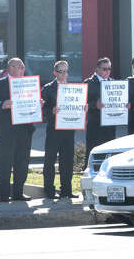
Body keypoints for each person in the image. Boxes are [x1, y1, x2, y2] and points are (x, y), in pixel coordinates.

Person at [0, 57, 36, 202]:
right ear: (10, 69)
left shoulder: (29, 84)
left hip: (25, 128)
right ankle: (4, 194)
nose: (21, 69)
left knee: (22, 161)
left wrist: (38, 103)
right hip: (8, 129)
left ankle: (18, 193)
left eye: (22, 67)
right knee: (6, 162)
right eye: (18, 66)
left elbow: (34, 102)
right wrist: (2, 104)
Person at [41, 60, 76, 200]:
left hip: (69, 129)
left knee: (67, 161)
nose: (64, 74)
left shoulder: (73, 89)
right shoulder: (48, 88)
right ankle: (49, 190)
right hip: (54, 129)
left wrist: (83, 108)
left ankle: (66, 190)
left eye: (66, 71)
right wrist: (51, 111)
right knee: (50, 160)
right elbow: (41, 109)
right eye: (61, 71)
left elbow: (76, 106)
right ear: (55, 73)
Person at [85, 56, 116, 163]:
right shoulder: (88, 83)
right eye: (104, 69)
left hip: (110, 125)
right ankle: (90, 173)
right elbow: (82, 104)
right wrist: (94, 105)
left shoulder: (114, 83)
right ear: (97, 69)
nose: (107, 71)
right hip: (95, 124)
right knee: (93, 151)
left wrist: (125, 106)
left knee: (109, 153)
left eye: (109, 69)